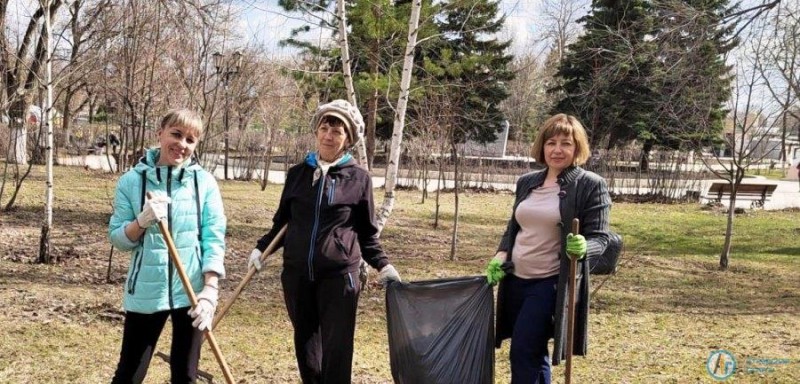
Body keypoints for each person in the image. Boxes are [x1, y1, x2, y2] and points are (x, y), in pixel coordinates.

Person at [247, 99, 401, 383]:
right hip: (296, 276)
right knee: (306, 347)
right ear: (317, 131)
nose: (329, 135)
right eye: (325, 127)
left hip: (339, 279)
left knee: (337, 350)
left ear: (348, 139)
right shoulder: (297, 174)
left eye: (338, 131)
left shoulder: (359, 178)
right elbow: (282, 222)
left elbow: (367, 233)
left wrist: (383, 265)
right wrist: (261, 248)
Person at [485, 113, 611, 383]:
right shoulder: (528, 182)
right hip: (515, 280)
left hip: (550, 283)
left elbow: (601, 238)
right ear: (542, 146)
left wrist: (583, 247)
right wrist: (500, 254)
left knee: (523, 351)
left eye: (566, 143)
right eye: (551, 142)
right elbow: (514, 226)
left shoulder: (589, 185)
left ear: (577, 148)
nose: (557, 150)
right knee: (532, 352)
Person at [108, 109, 227, 383]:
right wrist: (142, 221)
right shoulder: (131, 182)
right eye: (176, 134)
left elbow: (214, 236)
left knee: (186, 375)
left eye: (190, 139)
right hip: (147, 290)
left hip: (192, 292)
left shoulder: (204, 183)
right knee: (129, 374)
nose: (182, 144)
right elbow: (118, 239)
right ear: (159, 133)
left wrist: (210, 289)